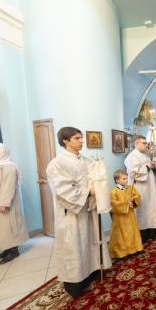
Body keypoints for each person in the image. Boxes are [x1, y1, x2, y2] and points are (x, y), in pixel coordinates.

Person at [46, 127, 112, 298]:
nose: (81, 141)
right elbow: (62, 189)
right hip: (72, 212)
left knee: (90, 241)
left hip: (88, 209)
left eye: (81, 138)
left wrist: (98, 188)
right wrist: (88, 192)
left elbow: (95, 180)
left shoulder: (87, 161)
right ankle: (75, 282)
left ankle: (92, 271)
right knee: (74, 245)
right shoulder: (57, 163)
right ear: (65, 141)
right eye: (77, 138)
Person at [125, 135, 156, 242]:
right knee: (141, 210)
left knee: (151, 208)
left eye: (146, 143)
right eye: (144, 143)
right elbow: (133, 173)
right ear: (136, 144)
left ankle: (151, 230)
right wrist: (147, 167)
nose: (147, 145)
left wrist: (153, 167)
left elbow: (152, 168)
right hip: (140, 188)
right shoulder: (131, 157)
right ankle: (141, 235)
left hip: (149, 186)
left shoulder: (145, 156)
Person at [108, 169, 143, 259]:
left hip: (130, 215)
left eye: (127, 178)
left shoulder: (130, 188)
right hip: (120, 218)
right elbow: (113, 204)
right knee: (121, 234)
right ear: (117, 180)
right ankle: (121, 252)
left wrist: (133, 199)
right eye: (124, 179)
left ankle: (134, 248)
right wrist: (126, 204)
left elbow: (137, 195)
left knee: (132, 231)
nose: (126, 180)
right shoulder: (113, 191)